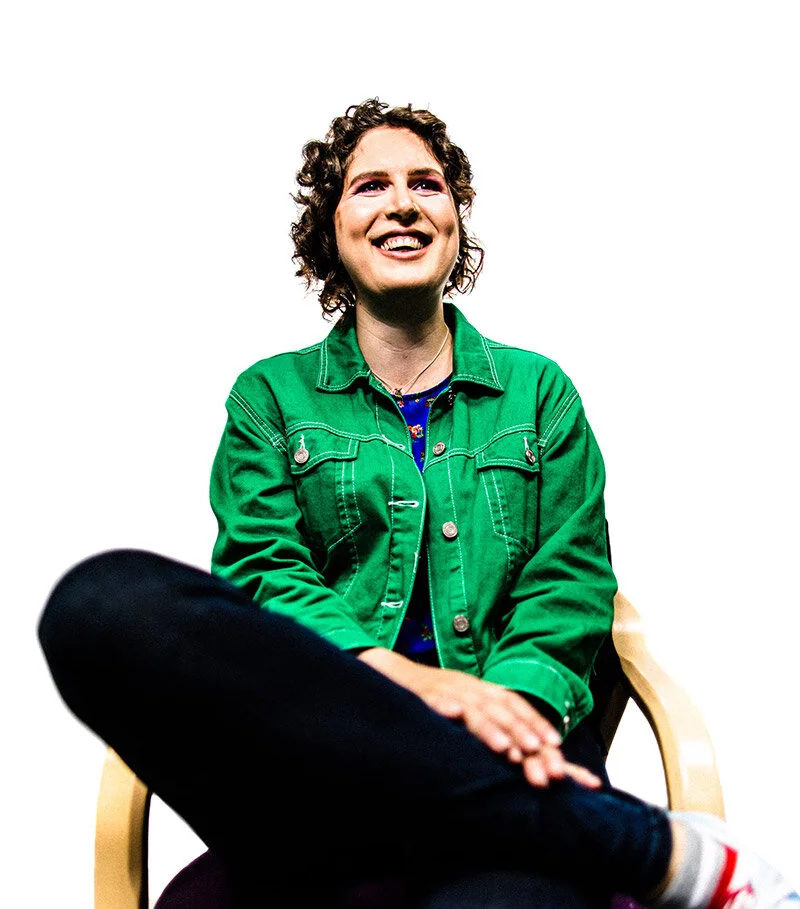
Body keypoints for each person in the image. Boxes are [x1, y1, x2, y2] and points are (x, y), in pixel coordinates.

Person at [38, 99, 798, 909]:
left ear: (454, 221)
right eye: (370, 186)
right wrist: (411, 687)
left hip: (519, 749)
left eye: (426, 184)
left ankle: (516, 811)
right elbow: (265, 575)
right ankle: (639, 843)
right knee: (98, 603)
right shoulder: (269, 398)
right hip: (317, 766)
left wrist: (506, 712)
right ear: (330, 229)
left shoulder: (540, 393)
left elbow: (570, 585)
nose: (402, 203)